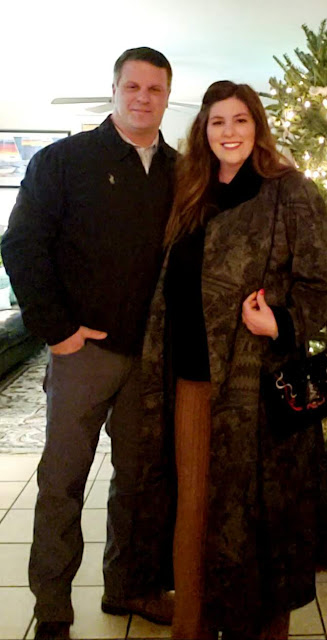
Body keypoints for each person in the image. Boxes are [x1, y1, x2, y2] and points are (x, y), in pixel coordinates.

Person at [141, 80, 327, 640]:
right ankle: (193, 629)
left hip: (259, 391)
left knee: (258, 523)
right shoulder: (193, 193)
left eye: (240, 120)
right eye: (217, 122)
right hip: (192, 383)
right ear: (204, 131)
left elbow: (322, 287)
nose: (229, 132)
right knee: (193, 516)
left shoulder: (290, 192)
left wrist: (279, 322)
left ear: (257, 126)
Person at [1, 47, 176, 640]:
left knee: (140, 483)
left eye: (155, 89)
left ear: (167, 96)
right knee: (62, 482)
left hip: (151, 358)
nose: (143, 97)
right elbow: (21, 245)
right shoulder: (63, 161)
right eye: (133, 86)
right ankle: (52, 607)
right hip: (83, 355)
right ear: (115, 89)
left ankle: (128, 587)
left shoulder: (182, 171)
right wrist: (58, 331)